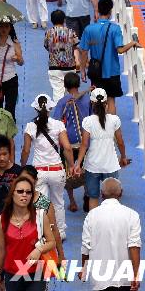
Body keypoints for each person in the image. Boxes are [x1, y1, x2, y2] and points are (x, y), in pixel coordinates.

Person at [21, 94, 74, 240]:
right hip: (57, 171)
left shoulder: (30, 127)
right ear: (50, 107)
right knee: (58, 202)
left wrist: (22, 167)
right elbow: (67, 148)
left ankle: (43, 232)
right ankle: (61, 232)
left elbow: (26, 150)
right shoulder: (58, 125)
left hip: (39, 172)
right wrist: (72, 165)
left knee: (41, 203)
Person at [0, 176, 55, 291]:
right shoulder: (2, 220)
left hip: (36, 272)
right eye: (20, 191)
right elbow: (1, 250)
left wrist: (39, 250)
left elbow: (52, 242)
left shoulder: (40, 215)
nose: (24, 195)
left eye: (28, 192)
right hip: (12, 272)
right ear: (12, 194)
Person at [80, 178, 141, 291]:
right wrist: (135, 275)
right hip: (125, 276)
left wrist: (84, 269)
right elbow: (134, 247)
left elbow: (86, 246)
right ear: (121, 193)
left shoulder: (91, 216)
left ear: (102, 194)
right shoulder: (132, 215)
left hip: (100, 276)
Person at [79, 0, 141, 114]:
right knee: (111, 101)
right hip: (112, 72)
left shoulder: (89, 29)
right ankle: (112, 129)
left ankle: (98, 128)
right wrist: (132, 43)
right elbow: (120, 50)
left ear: (98, 10)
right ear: (110, 11)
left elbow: (84, 52)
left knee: (97, 101)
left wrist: (82, 70)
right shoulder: (115, 28)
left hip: (96, 72)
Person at [74, 88, 129, 210]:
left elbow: (84, 144)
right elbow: (120, 141)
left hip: (92, 165)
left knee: (93, 197)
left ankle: (94, 225)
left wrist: (78, 163)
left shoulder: (87, 121)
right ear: (106, 103)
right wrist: (123, 157)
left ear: (91, 103)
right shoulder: (114, 119)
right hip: (110, 165)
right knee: (112, 198)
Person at [53, 72, 92, 212]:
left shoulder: (62, 102)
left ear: (65, 85)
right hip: (84, 142)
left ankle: (72, 201)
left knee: (68, 173)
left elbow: (56, 121)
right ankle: (88, 195)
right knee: (86, 170)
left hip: (67, 143)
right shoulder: (87, 100)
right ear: (78, 84)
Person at [19, 165, 65, 265]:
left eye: (29, 181)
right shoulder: (13, 201)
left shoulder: (44, 203)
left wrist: (61, 255)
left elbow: (54, 230)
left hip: (39, 253)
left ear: (35, 181)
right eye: (22, 180)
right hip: (18, 251)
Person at [44, 9, 79, 102]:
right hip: (70, 67)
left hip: (54, 67)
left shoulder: (48, 33)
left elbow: (47, 46)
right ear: (64, 20)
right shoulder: (71, 32)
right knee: (72, 94)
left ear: (52, 20)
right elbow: (76, 46)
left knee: (57, 93)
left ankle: (60, 115)